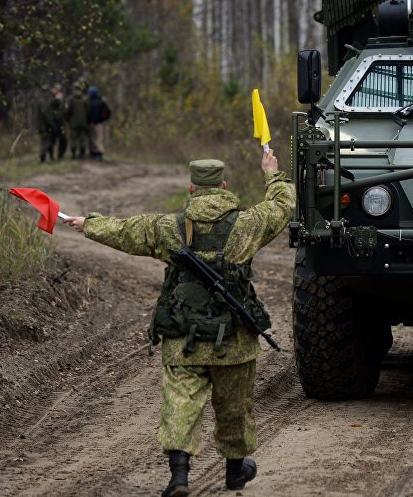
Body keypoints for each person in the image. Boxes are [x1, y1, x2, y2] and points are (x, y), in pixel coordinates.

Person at [62, 150, 295, 497]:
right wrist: (272, 173)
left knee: (180, 403)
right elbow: (282, 205)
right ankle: (235, 472)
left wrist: (88, 224)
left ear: (191, 189)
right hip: (233, 338)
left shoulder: (168, 228)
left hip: (183, 336)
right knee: (234, 406)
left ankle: (179, 477)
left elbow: (125, 231)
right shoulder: (247, 224)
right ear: (224, 186)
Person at [38, 86, 67, 162]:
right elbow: (46, 116)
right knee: (48, 142)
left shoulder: (50, 101)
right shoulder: (43, 102)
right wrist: (52, 125)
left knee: (52, 141)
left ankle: (50, 156)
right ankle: (44, 157)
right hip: (47, 126)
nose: (46, 93)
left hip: (53, 125)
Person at [66, 81, 91, 160]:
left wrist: (68, 119)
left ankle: (74, 154)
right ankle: (82, 154)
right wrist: (87, 120)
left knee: (73, 138)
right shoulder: (85, 99)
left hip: (73, 122)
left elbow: (67, 111)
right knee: (82, 138)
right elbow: (88, 111)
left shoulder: (70, 99)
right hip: (83, 122)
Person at [87, 85, 111, 161]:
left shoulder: (90, 102)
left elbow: (107, 112)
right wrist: (104, 119)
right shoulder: (101, 102)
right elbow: (108, 112)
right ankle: (97, 154)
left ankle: (97, 154)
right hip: (99, 123)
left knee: (94, 139)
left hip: (92, 123)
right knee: (98, 139)